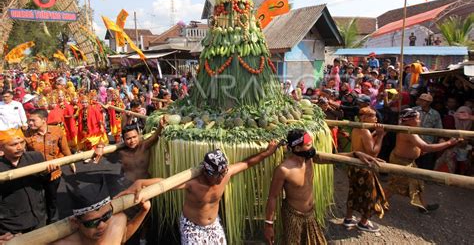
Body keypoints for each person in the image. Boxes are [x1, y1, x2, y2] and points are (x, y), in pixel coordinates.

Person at [118, 142, 279, 244]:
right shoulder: (193, 183)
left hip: (213, 224)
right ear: (207, 172)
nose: (221, 178)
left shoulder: (225, 174)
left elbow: (246, 163)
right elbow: (165, 183)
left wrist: (267, 152)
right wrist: (140, 183)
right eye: (217, 175)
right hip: (192, 226)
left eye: (223, 174)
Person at [264, 129, 385, 244]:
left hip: (310, 214)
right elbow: (272, 197)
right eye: (308, 145)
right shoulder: (284, 170)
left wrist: (355, 154)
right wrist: (269, 225)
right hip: (292, 216)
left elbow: (332, 158)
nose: (312, 147)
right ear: (297, 148)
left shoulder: (309, 158)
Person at [385, 108, 463, 213]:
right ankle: (378, 202)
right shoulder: (408, 131)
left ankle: (422, 206)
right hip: (401, 161)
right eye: (417, 119)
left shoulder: (408, 129)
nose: (419, 121)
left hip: (406, 160)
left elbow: (417, 147)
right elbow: (426, 147)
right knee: (395, 185)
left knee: (417, 182)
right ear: (409, 119)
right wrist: (448, 143)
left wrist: (420, 151)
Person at [51, 178, 150, 245]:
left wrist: (143, 212)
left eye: (106, 216)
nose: (102, 225)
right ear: (76, 222)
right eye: (93, 222)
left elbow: (122, 237)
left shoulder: (118, 221)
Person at [0, 128, 59, 235]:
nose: (19, 147)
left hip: (38, 217)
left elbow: (44, 182)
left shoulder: (35, 157)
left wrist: (46, 173)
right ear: (1, 147)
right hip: (11, 225)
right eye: (13, 145)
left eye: (22, 142)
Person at [25, 108, 75, 223]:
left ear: (44, 120)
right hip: (34, 175)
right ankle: (39, 224)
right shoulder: (25, 135)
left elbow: (65, 148)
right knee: (37, 200)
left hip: (54, 174)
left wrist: (71, 162)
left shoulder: (56, 131)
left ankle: (53, 222)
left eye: (33, 120)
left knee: (51, 199)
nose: (30, 123)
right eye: (29, 120)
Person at [343, 107, 388, 232]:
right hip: (363, 168)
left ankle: (348, 219)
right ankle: (363, 222)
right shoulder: (365, 132)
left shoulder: (356, 129)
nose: (376, 118)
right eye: (373, 116)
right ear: (364, 118)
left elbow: (362, 145)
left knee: (353, 192)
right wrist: (380, 136)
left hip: (354, 166)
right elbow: (372, 153)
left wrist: (374, 134)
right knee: (370, 196)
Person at [412, 93, 443, 170]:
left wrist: (435, 142)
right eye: (420, 100)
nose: (421, 102)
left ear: (429, 103)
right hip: (414, 142)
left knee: (426, 165)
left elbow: (439, 129)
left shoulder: (435, 114)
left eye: (423, 101)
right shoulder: (413, 110)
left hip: (428, 144)